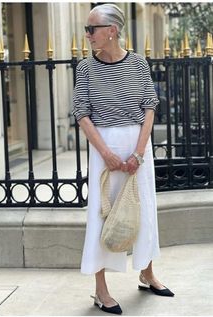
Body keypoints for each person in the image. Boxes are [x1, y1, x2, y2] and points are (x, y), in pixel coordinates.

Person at [72, 3, 174, 315]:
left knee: (143, 210)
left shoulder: (140, 64)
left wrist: (139, 153)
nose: (87, 35)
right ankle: (100, 290)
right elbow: (82, 113)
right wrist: (106, 154)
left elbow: (149, 108)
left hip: (137, 147)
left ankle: (147, 273)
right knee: (102, 215)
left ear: (112, 31)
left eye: (92, 29)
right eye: (87, 29)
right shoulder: (86, 68)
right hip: (104, 147)